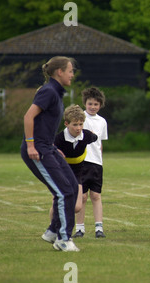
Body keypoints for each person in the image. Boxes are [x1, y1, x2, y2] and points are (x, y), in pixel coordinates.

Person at [21, 56, 80, 251]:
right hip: (38, 149)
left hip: (48, 147)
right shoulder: (48, 91)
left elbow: (44, 125)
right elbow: (29, 117)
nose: (72, 74)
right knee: (63, 191)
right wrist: (31, 146)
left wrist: (54, 148)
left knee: (71, 186)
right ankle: (63, 238)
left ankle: (52, 232)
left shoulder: (56, 92)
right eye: (70, 70)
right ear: (60, 72)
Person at [46, 105, 98, 220]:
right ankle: (53, 229)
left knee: (77, 207)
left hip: (77, 173)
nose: (78, 128)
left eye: (80, 124)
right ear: (66, 124)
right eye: (75, 125)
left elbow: (94, 137)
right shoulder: (59, 139)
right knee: (58, 203)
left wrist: (93, 134)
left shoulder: (86, 135)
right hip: (61, 171)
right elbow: (48, 147)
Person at [73, 87, 108, 238]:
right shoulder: (80, 119)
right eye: (90, 104)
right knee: (82, 197)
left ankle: (99, 228)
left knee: (96, 195)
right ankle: (79, 228)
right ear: (85, 104)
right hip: (81, 162)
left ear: (100, 105)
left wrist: (100, 160)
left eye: (96, 104)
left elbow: (100, 143)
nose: (93, 107)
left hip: (96, 163)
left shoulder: (102, 121)